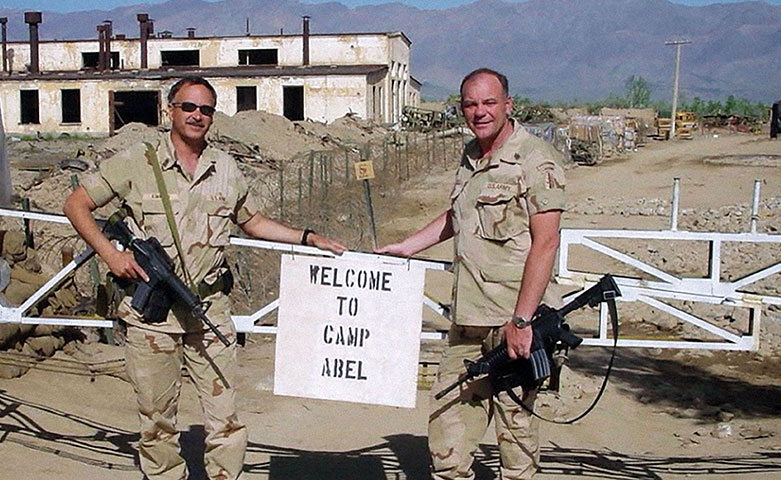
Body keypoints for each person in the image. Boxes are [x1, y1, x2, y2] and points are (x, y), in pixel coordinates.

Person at [64, 76, 346, 480]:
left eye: (206, 110)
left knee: (226, 419)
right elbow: (76, 204)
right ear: (170, 110)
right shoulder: (137, 161)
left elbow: (253, 222)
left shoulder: (225, 167)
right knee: (157, 420)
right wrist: (111, 254)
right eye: (188, 107)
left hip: (208, 311)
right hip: (152, 318)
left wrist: (308, 237)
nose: (197, 116)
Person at [376, 68, 566, 480]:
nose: (479, 112)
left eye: (489, 103)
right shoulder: (470, 156)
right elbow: (458, 216)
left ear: (508, 105)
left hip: (515, 326)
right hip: (467, 325)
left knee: (515, 444)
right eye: (470, 104)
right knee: (446, 438)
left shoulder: (535, 159)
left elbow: (546, 242)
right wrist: (409, 246)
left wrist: (522, 320)